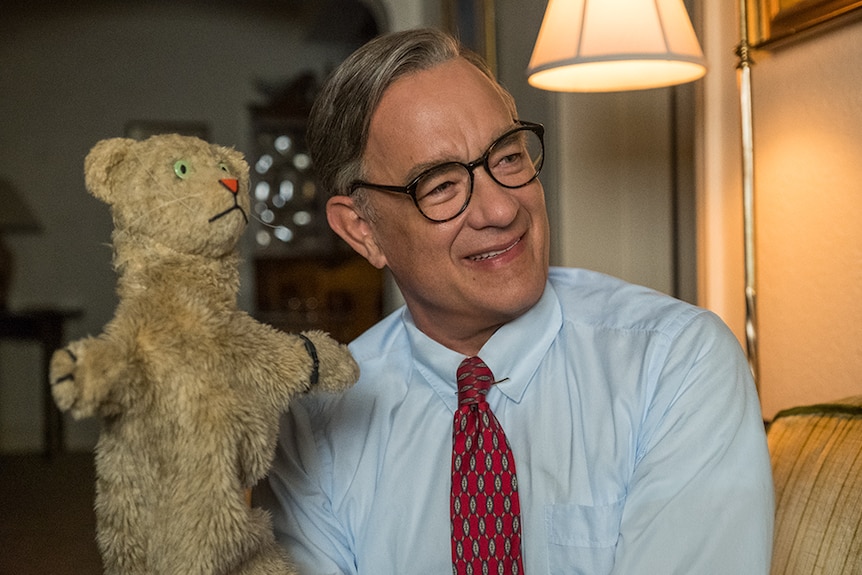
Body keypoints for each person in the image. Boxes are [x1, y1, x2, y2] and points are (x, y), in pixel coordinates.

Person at [260, 27, 774, 574]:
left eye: (507, 157)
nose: (501, 210)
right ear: (362, 229)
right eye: (441, 186)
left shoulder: (676, 366)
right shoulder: (315, 427)